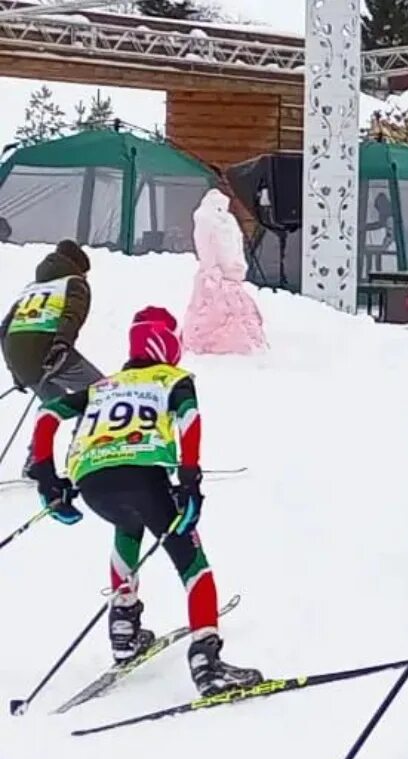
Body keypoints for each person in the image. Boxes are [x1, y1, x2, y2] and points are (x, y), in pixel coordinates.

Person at [26, 308, 261, 696]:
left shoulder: (104, 386)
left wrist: (47, 476)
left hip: (92, 481)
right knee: (193, 565)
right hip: (146, 477)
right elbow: (189, 420)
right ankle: (207, 659)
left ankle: (123, 626)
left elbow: (49, 413)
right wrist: (189, 479)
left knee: (127, 525)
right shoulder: (173, 379)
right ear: (166, 342)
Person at [2, 239, 104, 400]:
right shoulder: (74, 283)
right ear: (78, 268)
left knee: (56, 407)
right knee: (101, 394)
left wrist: (14, 368)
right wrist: (61, 344)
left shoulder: (32, 288)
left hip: (18, 357)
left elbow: (5, 328)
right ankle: (89, 424)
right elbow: (72, 316)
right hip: (49, 349)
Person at [184, 189, 267, 355]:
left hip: (226, 274)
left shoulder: (224, 221)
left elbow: (232, 244)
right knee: (216, 310)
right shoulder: (208, 219)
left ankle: (225, 342)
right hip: (220, 274)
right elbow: (209, 246)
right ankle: (215, 342)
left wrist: (234, 267)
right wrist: (214, 270)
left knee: (228, 310)